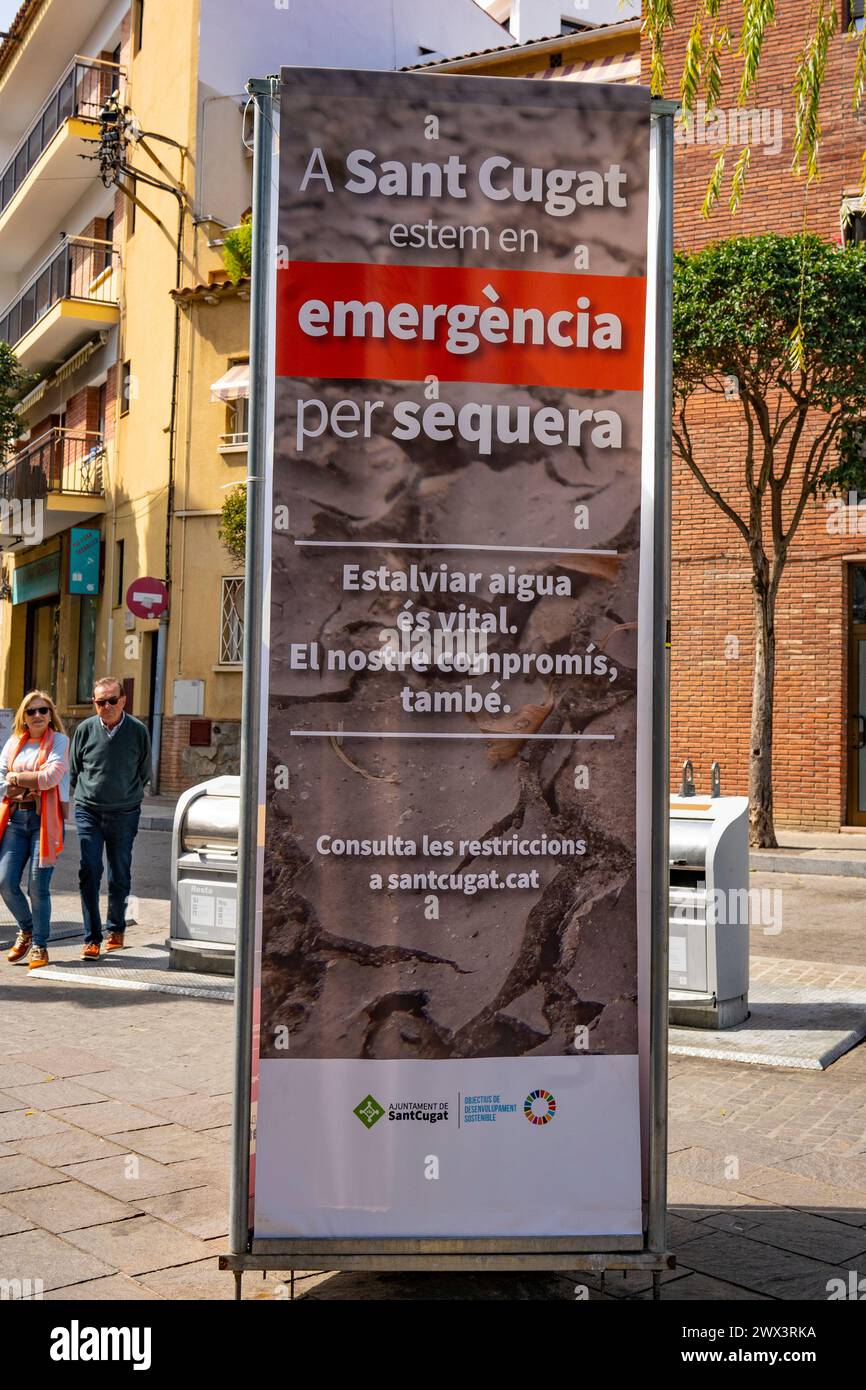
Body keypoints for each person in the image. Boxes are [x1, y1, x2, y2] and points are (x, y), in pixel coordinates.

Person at [69, 676, 151, 960]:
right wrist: (90, 793)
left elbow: (144, 771)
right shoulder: (84, 730)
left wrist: (126, 797)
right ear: (94, 703)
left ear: (123, 700)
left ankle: (116, 928)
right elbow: (75, 770)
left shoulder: (138, 730)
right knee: (89, 871)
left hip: (124, 812)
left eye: (111, 700)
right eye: (100, 701)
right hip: (88, 810)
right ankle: (92, 938)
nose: (106, 706)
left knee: (119, 873)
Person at [0, 690, 69, 970]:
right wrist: (31, 784)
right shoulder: (14, 742)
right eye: (32, 711)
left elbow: (52, 776)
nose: (38, 715)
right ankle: (26, 929)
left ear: (51, 715)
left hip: (45, 821)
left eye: (43, 710)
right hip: (17, 821)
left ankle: (40, 945)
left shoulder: (60, 741)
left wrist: (16, 778)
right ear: (24, 717)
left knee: (37, 887)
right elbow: (0, 780)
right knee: (4, 881)